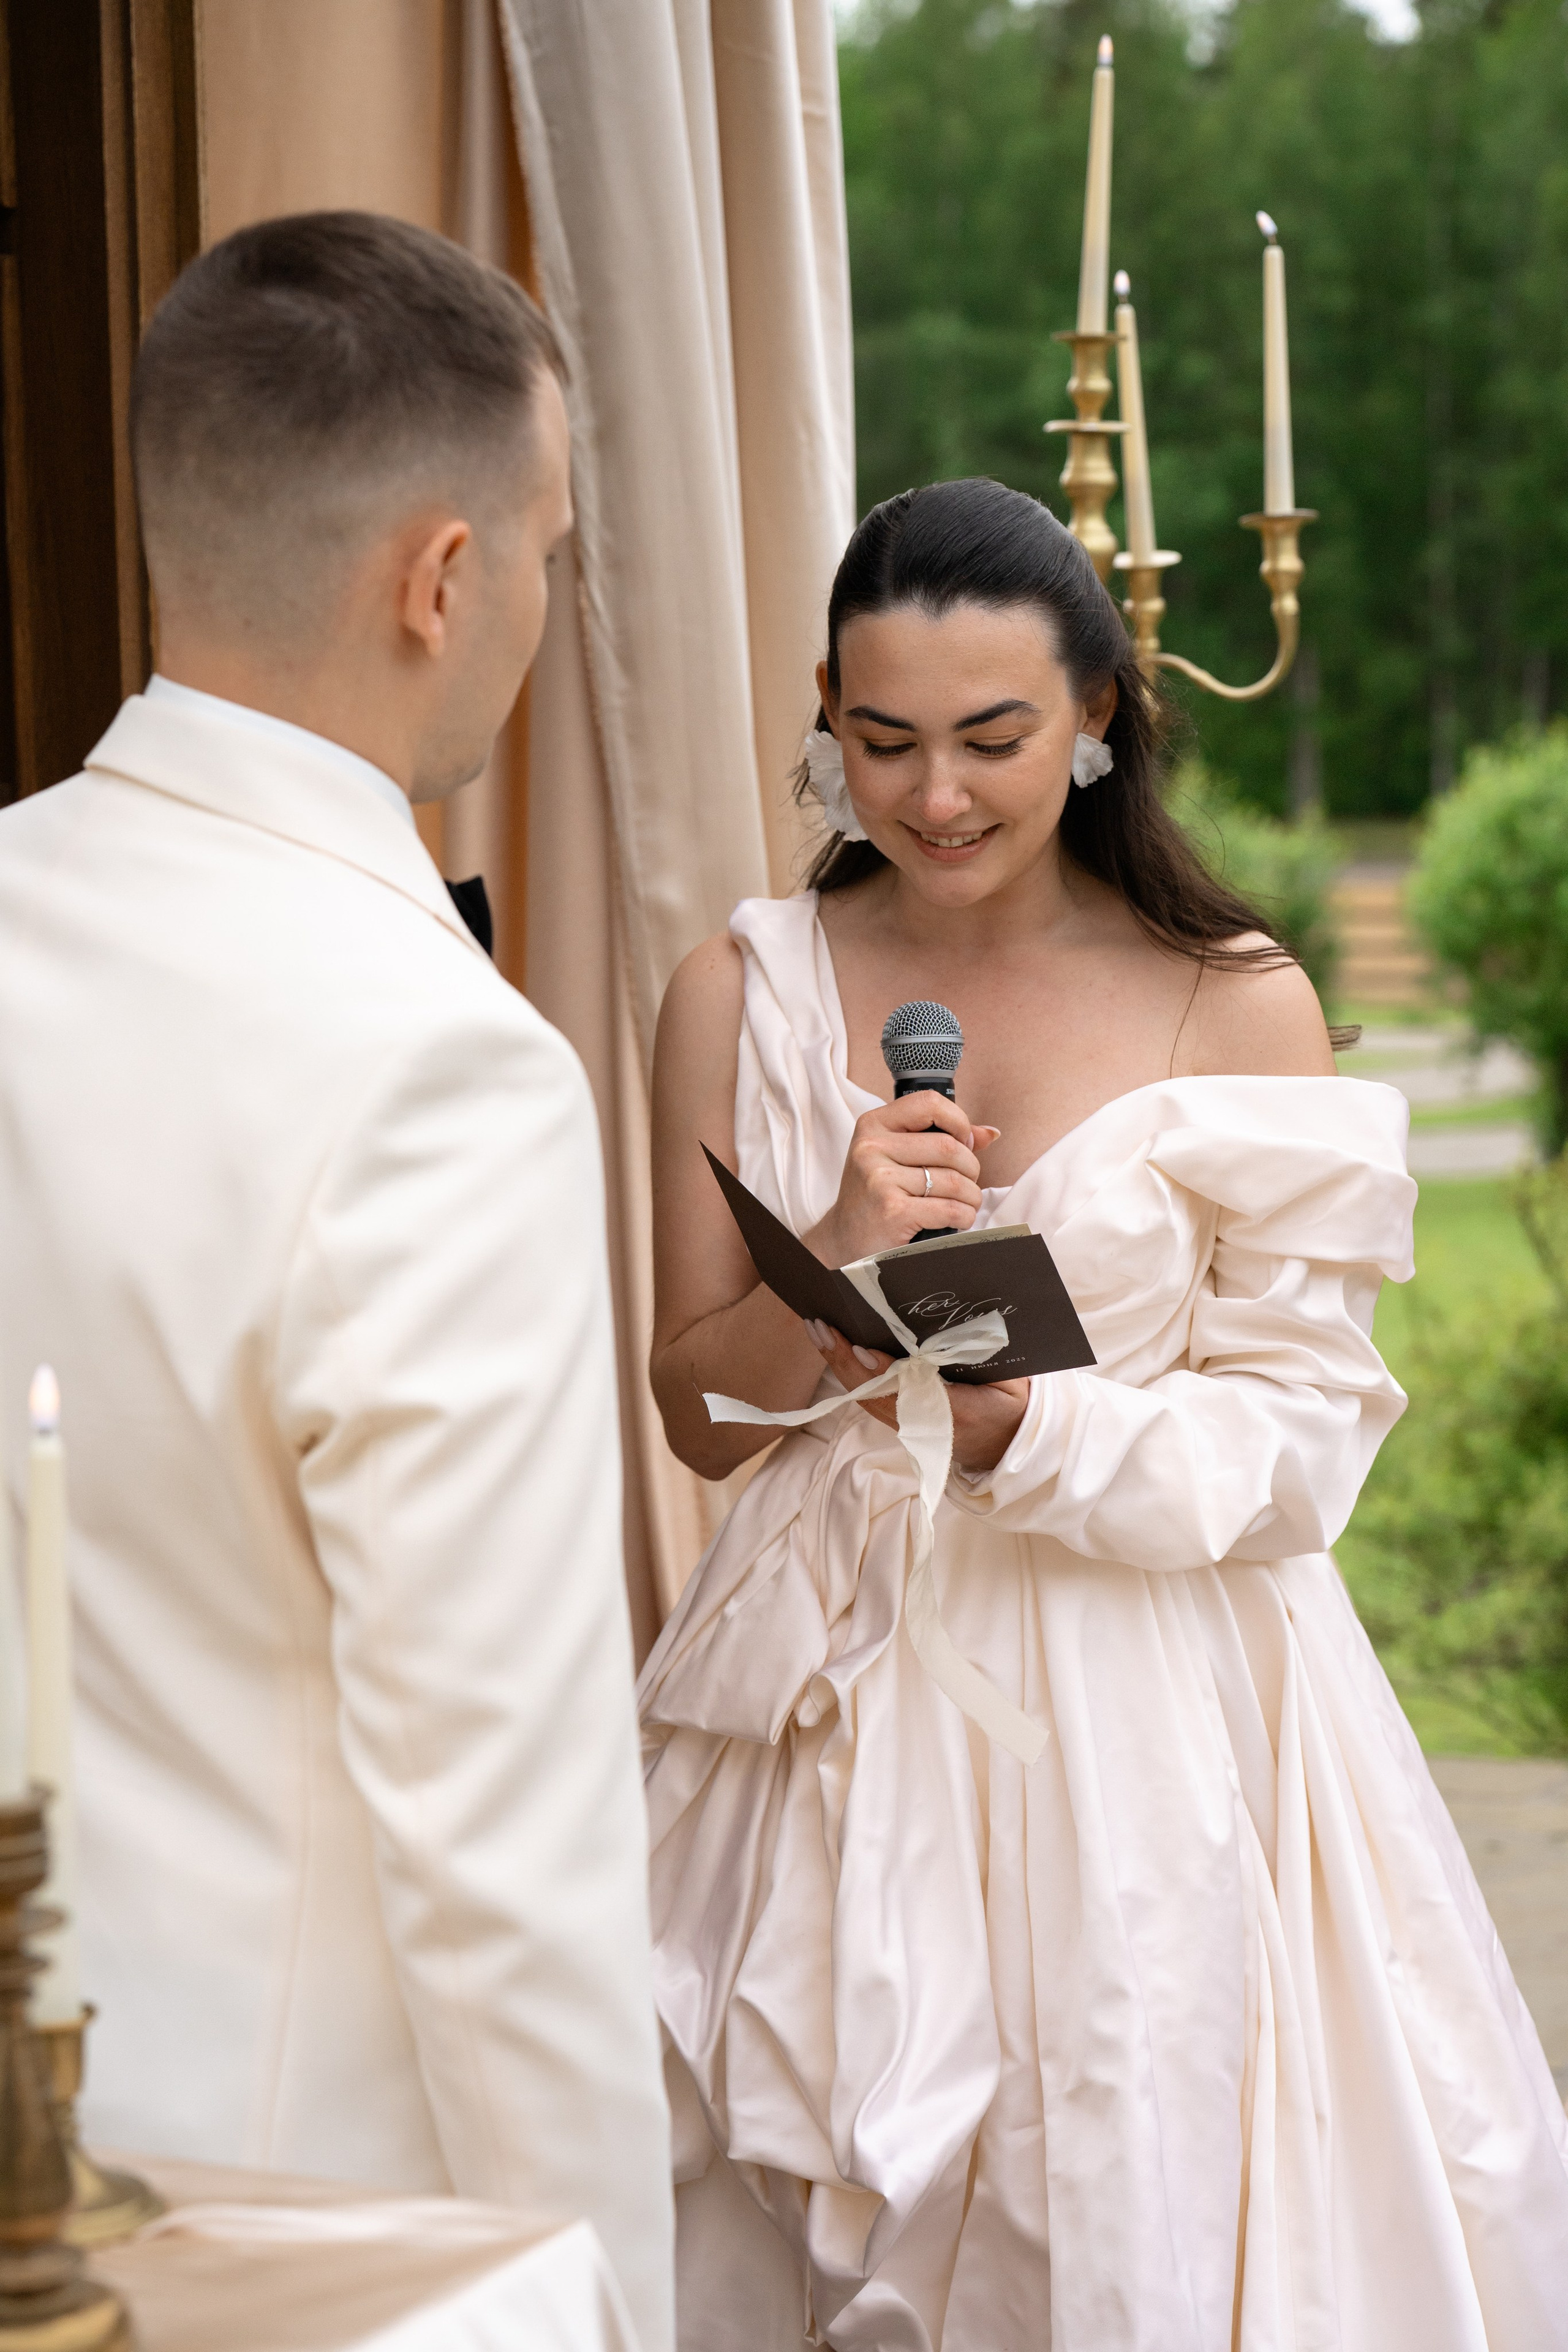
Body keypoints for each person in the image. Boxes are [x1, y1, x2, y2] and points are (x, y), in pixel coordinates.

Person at [641, 478, 1568, 2351]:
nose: (938, 796)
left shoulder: (1238, 1005)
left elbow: (1303, 1442)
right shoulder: (737, 987)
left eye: (992, 739)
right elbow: (693, 1407)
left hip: (1152, 1721)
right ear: (827, 717)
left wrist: (1030, 1438)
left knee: (1121, 2196)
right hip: (822, 1698)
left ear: (1098, 717)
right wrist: (827, 1264)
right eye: (882, 741)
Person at [0, 214, 672, 2350]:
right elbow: (507, 1849)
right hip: (281, 2232)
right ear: (444, 577)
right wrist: (601, 2310)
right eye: (550, 553)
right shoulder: (440, 1067)